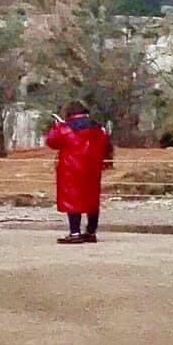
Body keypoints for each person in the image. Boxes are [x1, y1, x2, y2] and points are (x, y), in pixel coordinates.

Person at [46, 101, 112, 244]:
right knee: (92, 198)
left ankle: (75, 232)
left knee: (72, 199)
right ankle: (91, 231)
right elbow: (106, 144)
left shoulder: (65, 128)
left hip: (71, 168)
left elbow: (52, 142)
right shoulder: (98, 127)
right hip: (93, 167)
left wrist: (57, 126)